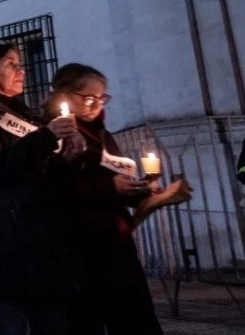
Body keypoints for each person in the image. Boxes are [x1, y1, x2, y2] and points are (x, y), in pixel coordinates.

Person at [0, 41, 83, 334]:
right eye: (11, 63)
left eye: (20, 62)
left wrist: (67, 158)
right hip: (4, 241)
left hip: (39, 241)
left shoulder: (28, 116)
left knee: (52, 323)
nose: (21, 69)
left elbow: (41, 173)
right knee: (11, 324)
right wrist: (46, 139)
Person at [45, 64, 163, 334]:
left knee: (137, 317)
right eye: (88, 97)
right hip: (82, 244)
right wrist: (110, 188)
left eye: (101, 98)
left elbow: (117, 175)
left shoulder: (100, 133)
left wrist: (140, 189)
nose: (96, 104)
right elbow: (54, 188)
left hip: (115, 238)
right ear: (64, 95)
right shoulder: (51, 134)